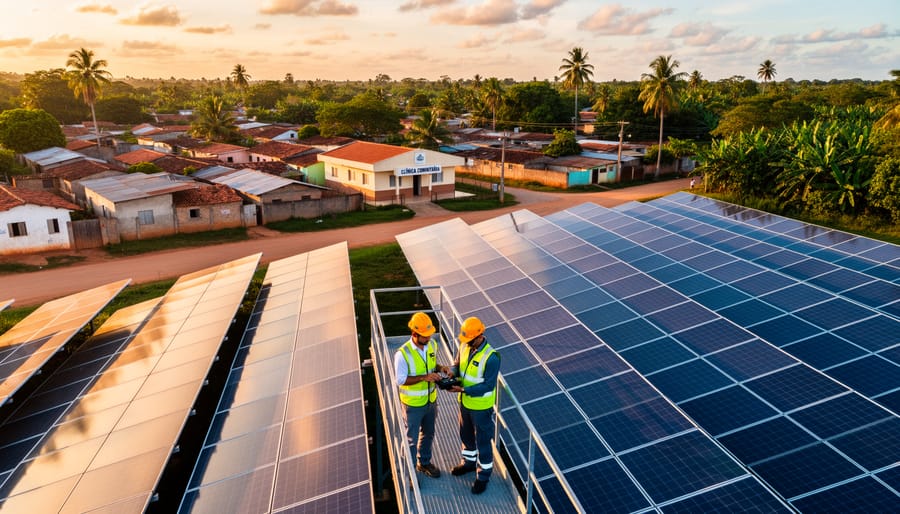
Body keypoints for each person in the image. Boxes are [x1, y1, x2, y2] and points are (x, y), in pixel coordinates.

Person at [447, 316, 501, 495]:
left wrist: (463, 389)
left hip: (481, 407)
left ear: (480, 336)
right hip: (464, 403)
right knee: (466, 435)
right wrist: (451, 372)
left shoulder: (491, 357)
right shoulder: (464, 345)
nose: (467, 343)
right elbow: (457, 364)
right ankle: (468, 463)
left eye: (470, 340)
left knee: (483, 442)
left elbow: (488, 385)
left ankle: (483, 476)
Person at [394, 311, 448, 479]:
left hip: (431, 401)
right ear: (414, 334)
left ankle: (423, 463)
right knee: (411, 439)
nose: (429, 338)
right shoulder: (402, 354)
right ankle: (408, 474)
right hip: (412, 405)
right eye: (425, 336)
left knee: (428, 433)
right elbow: (400, 380)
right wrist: (424, 377)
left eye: (430, 334)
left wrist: (441, 368)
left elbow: (431, 364)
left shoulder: (432, 345)